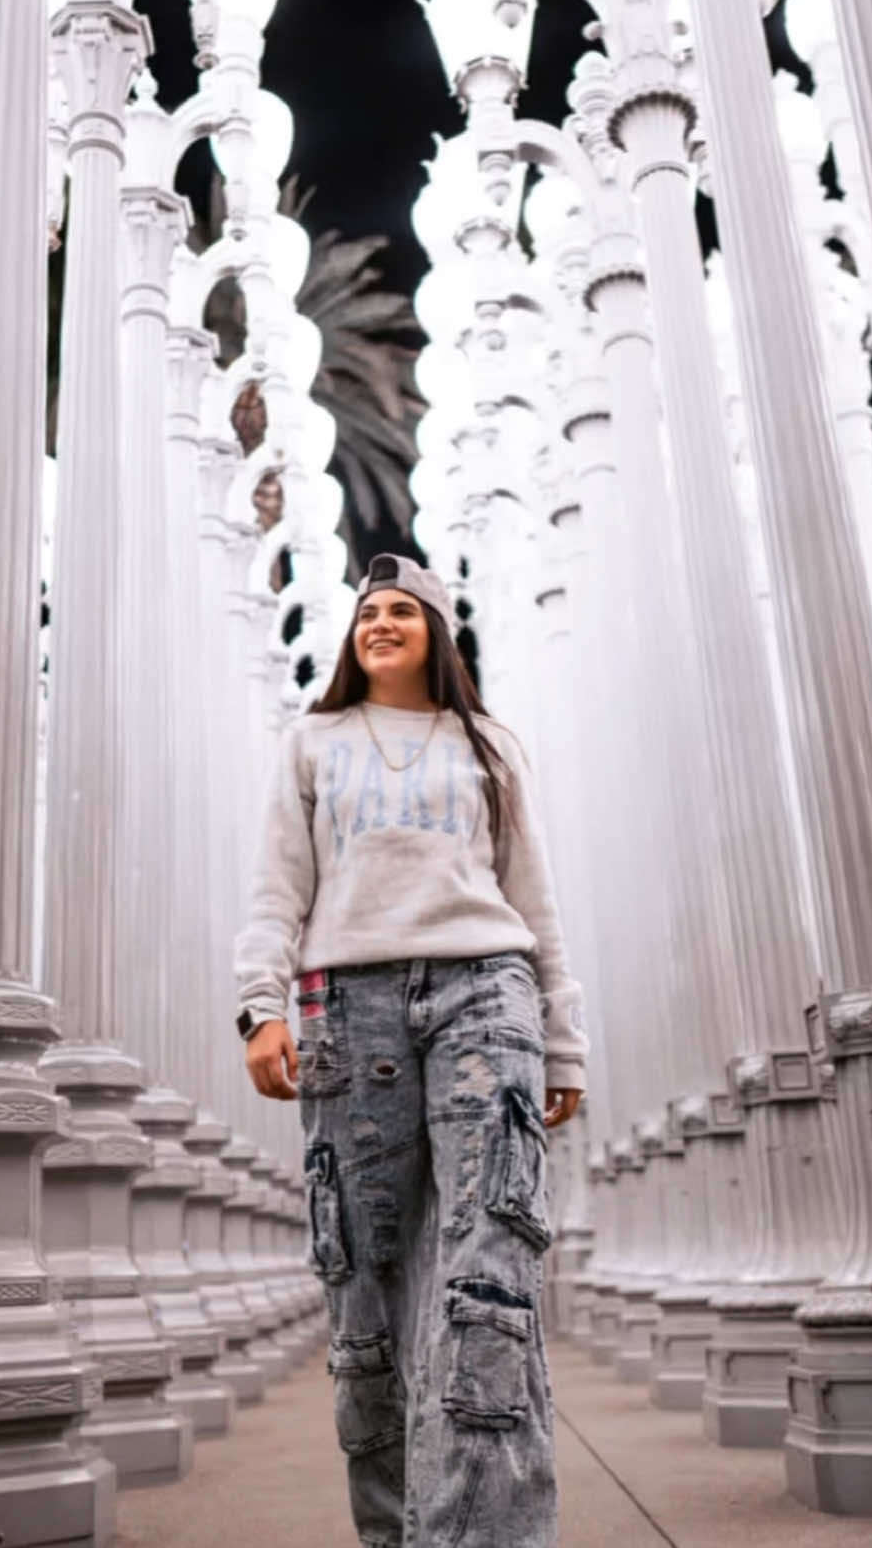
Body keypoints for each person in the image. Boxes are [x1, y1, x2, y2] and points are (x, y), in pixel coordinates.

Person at [235, 553, 587, 1548]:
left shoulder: (488, 743)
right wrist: (260, 1008)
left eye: (401, 610)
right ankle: (397, 1533)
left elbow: (536, 900)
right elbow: (275, 888)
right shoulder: (312, 742)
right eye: (367, 613)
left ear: (437, 631)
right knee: (367, 1286)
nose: (379, 623)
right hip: (350, 1011)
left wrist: (566, 1042)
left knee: (489, 1276)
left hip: (488, 992)